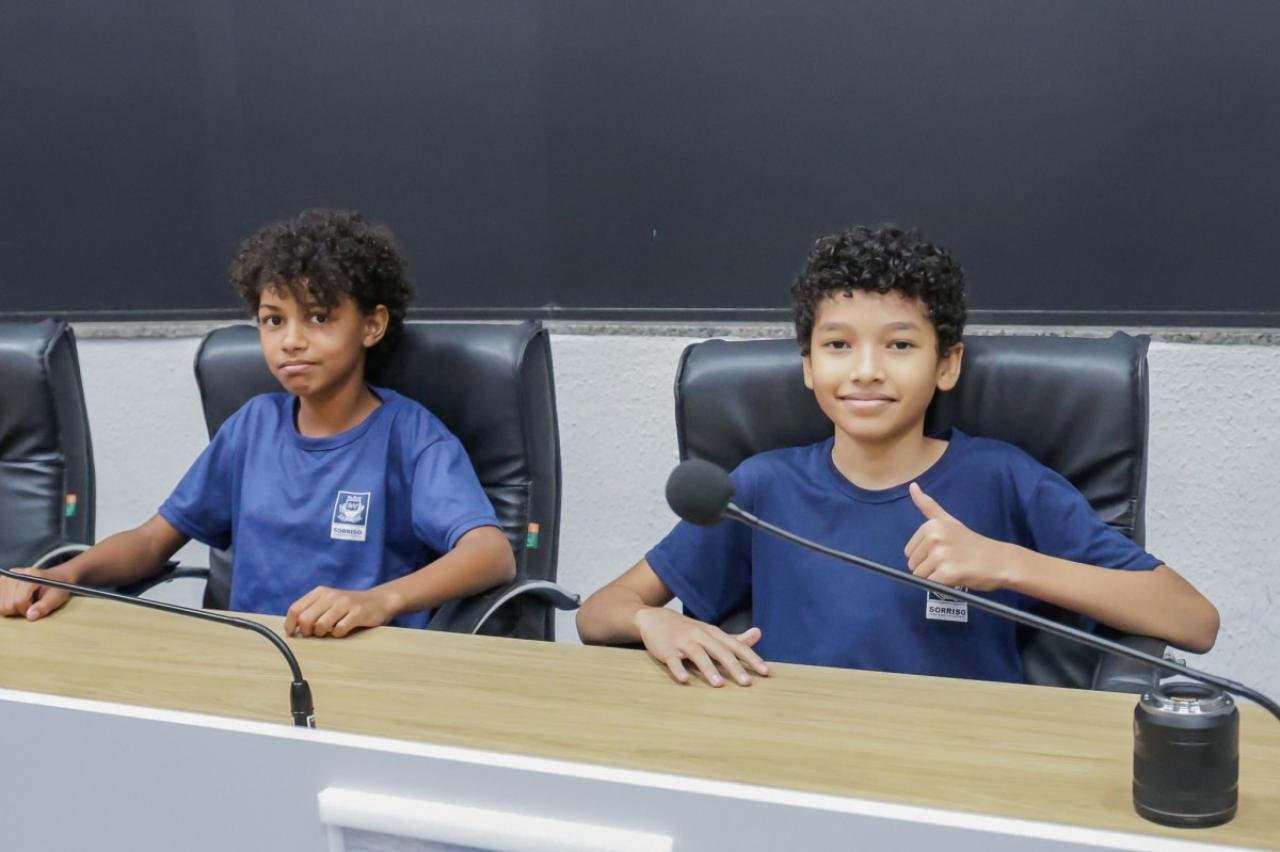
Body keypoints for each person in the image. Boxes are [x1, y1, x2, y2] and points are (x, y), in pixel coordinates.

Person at [577, 224, 1219, 686]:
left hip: (960, 767)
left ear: (948, 364)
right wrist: (654, 624)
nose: (865, 370)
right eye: (837, 345)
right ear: (808, 366)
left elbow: (1194, 620)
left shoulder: (1002, 478)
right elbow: (599, 612)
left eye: (900, 345)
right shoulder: (760, 488)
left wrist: (1009, 563)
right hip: (797, 761)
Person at [0, 209, 515, 637]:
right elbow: (151, 542)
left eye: (319, 317)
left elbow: (491, 554)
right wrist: (66, 574)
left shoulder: (410, 436)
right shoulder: (252, 427)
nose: (291, 341)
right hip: (253, 663)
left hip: (366, 670)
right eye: (273, 320)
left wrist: (380, 601)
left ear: (372, 325)